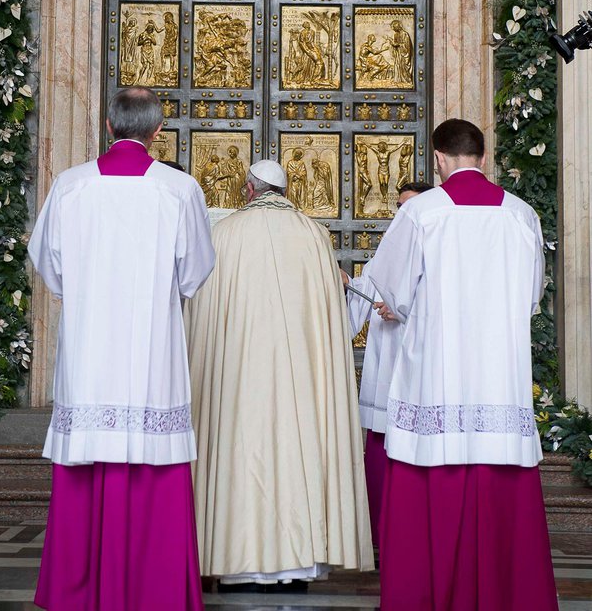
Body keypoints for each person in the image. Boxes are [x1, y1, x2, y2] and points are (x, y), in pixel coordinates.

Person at [28, 87, 215, 611]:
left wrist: (82, 293)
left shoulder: (71, 185)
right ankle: (155, 590)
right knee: (153, 467)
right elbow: (195, 272)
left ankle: (79, 590)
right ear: (158, 131)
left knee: (85, 470)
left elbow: (47, 261)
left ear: (108, 126)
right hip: (152, 355)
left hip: (89, 353)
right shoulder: (179, 190)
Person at [369, 118, 558, 611]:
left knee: (428, 494)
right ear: (483, 156)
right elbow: (532, 297)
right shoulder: (521, 215)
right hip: (499, 382)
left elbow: (393, 291)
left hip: (438, 380)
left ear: (437, 158)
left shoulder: (421, 213)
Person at [184, 159, 373, 592]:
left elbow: (202, 319)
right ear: (286, 192)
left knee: (239, 454)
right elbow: (328, 318)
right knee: (298, 448)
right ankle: (298, 561)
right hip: (300, 379)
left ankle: (235, 556)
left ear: (249, 190)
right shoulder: (313, 234)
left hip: (237, 379)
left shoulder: (224, 233)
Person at [346, 181, 433, 550]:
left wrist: (402, 310)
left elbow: (442, 302)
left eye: (409, 205)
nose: (402, 213)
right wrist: (345, 284)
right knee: (380, 441)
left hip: (419, 361)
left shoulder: (437, 244)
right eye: (399, 206)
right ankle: (379, 531)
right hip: (387, 358)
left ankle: (411, 531)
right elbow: (371, 285)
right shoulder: (390, 246)